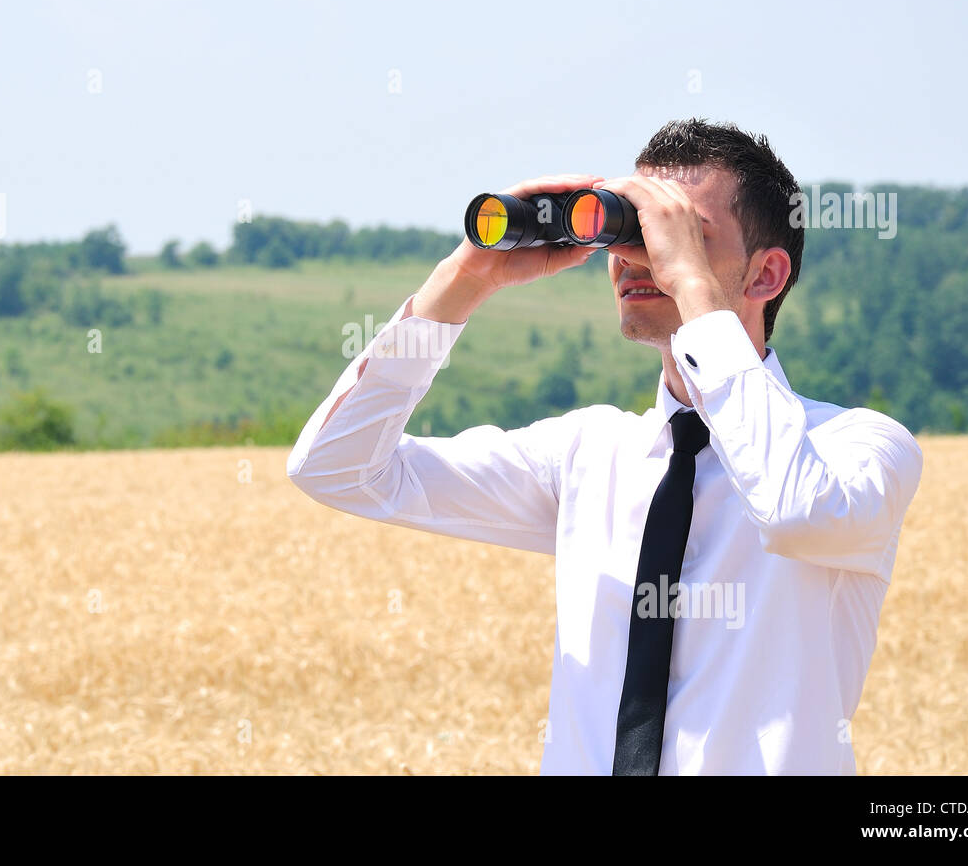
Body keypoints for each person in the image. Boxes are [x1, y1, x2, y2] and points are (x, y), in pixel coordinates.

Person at [287, 119, 923, 775]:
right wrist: (466, 277)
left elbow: (794, 510)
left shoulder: (857, 448)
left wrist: (695, 292)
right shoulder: (588, 453)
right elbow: (335, 466)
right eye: (632, 229)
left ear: (766, 275)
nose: (640, 255)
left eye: (680, 234)